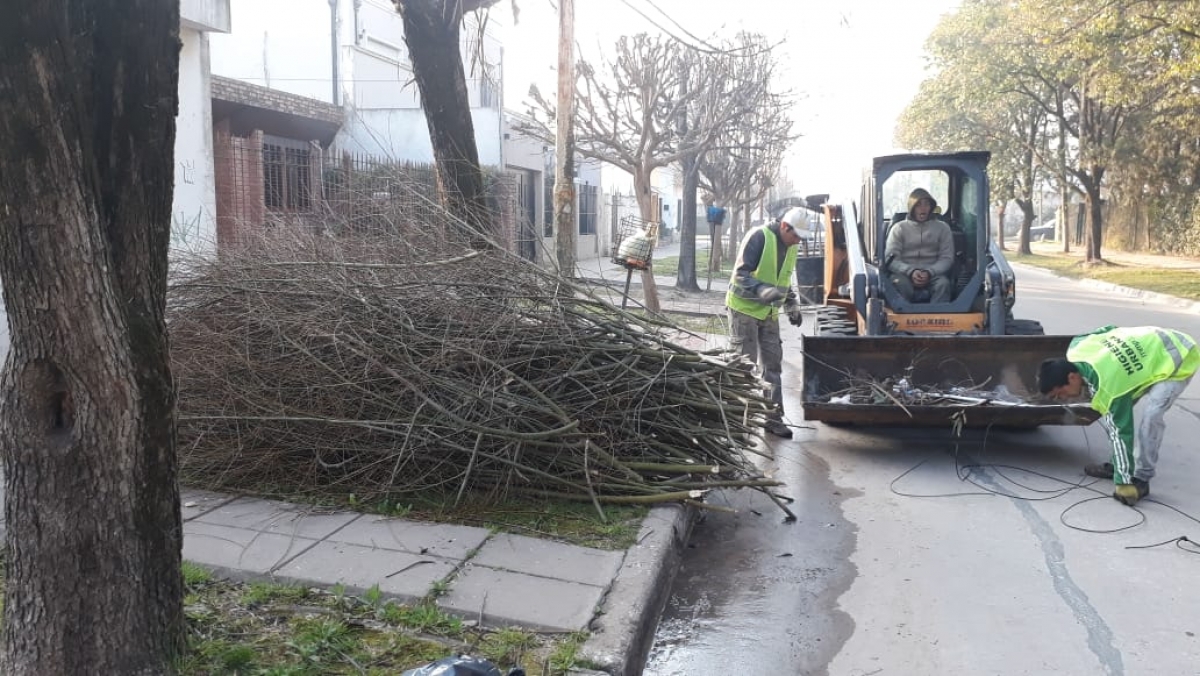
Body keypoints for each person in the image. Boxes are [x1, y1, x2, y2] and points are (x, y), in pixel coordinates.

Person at [1038, 325, 1199, 506]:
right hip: (1151, 348)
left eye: (1060, 393)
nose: (1062, 399)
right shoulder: (1077, 346)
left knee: (1151, 417)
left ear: (1072, 378)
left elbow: (1121, 431)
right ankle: (1119, 465)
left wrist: (1122, 484)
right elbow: (1107, 329)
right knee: (1111, 415)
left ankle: (1141, 479)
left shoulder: (1109, 388)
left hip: (1178, 355)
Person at [726, 207, 806, 439]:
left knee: (772, 367)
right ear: (784, 226)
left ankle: (773, 418)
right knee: (743, 366)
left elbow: (784, 279)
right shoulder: (759, 237)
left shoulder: (792, 246)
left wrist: (792, 305)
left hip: (769, 313)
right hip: (744, 310)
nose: (798, 241)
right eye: (795, 236)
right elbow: (740, 274)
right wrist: (761, 290)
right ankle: (734, 420)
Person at [884, 188, 955, 303]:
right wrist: (910, 271)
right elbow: (891, 259)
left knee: (943, 285)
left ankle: (938, 319)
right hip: (904, 274)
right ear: (912, 208)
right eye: (918, 205)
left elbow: (947, 258)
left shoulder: (943, 228)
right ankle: (904, 318)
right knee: (899, 284)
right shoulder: (899, 229)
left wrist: (929, 272)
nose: (923, 208)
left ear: (931, 207)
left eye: (926, 204)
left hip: (934, 274)